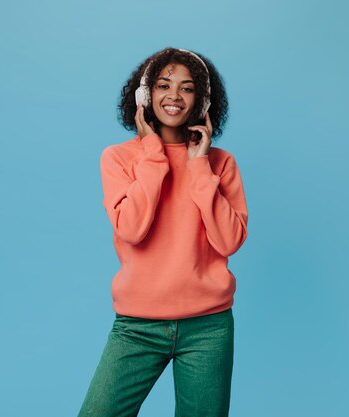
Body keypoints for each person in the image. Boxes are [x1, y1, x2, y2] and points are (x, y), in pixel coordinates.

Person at [78, 47, 248, 417]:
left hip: (208, 327)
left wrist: (199, 165)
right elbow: (132, 229)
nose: (174, 96)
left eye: (187, 88)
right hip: (137, 326)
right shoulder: (119, 158)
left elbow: (229, 240)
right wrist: (154, 155)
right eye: (163, 85)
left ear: (202, 100)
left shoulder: (221, 163)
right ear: (145, 95)